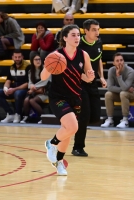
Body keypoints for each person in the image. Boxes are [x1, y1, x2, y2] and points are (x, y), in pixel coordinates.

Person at [42, 24, 95, 175]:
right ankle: (51, 143)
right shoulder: (56, 55)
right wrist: (48, 65)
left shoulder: (83, 55)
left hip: (75, 97)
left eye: (78, 35)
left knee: (68, 131)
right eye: (73, 35)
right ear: (64, 38)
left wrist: (90, 77)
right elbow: (43, 77)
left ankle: (59, 162)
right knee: (73, 127)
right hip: (58, 97)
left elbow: (85, 77)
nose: (77, 37)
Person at [72, 19, 107, 157]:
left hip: (92, 82)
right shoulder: (78, 44)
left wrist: (102, 77)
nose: (97, 32)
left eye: (98, 29)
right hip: (79, 82)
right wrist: (83, 76)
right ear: (85, 31)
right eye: (94, 29)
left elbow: (98, 59)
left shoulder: (98, 42)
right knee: (85, 116)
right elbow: (72, 65)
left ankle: (74, 122)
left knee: (95, 116)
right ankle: (78, 147)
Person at [101, 53, 134, 128]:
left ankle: (125, 120)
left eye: (121, 60)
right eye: (117, 60)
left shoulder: (130, 71)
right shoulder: (111, 70)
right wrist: (125, 88)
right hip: (123, 92)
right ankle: (110, 120)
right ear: (113, 63)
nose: (120, 62)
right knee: (108, 94)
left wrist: (118, 76)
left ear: (124, 61)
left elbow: (124, 88)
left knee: (123, 93)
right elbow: (110, 87)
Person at [0, 50, 29, 123]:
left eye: (19, 57)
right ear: (12, 57)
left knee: (18, 93)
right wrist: (5, 88)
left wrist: (14, 89)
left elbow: (28, 83)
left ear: (22, 57)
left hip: (24, 90)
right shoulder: (12, 67)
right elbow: (8, 80)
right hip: (14, 89)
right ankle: (10, 114)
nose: (17, 58)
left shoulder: (28, 66)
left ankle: (18, 114)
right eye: (15, 57)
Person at [20, 53, 50, 124]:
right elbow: (30, 83)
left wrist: (34, 88)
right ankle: (26, 116)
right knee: (26, 100)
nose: (38, 61)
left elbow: (44, 82)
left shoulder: (46, 69)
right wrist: (31, 86)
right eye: (36, 59)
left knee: (32, 101)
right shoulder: (30, 71)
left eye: (39, 59)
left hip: (45, 91)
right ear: (32, 61)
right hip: (35, 91)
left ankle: (43, 117)